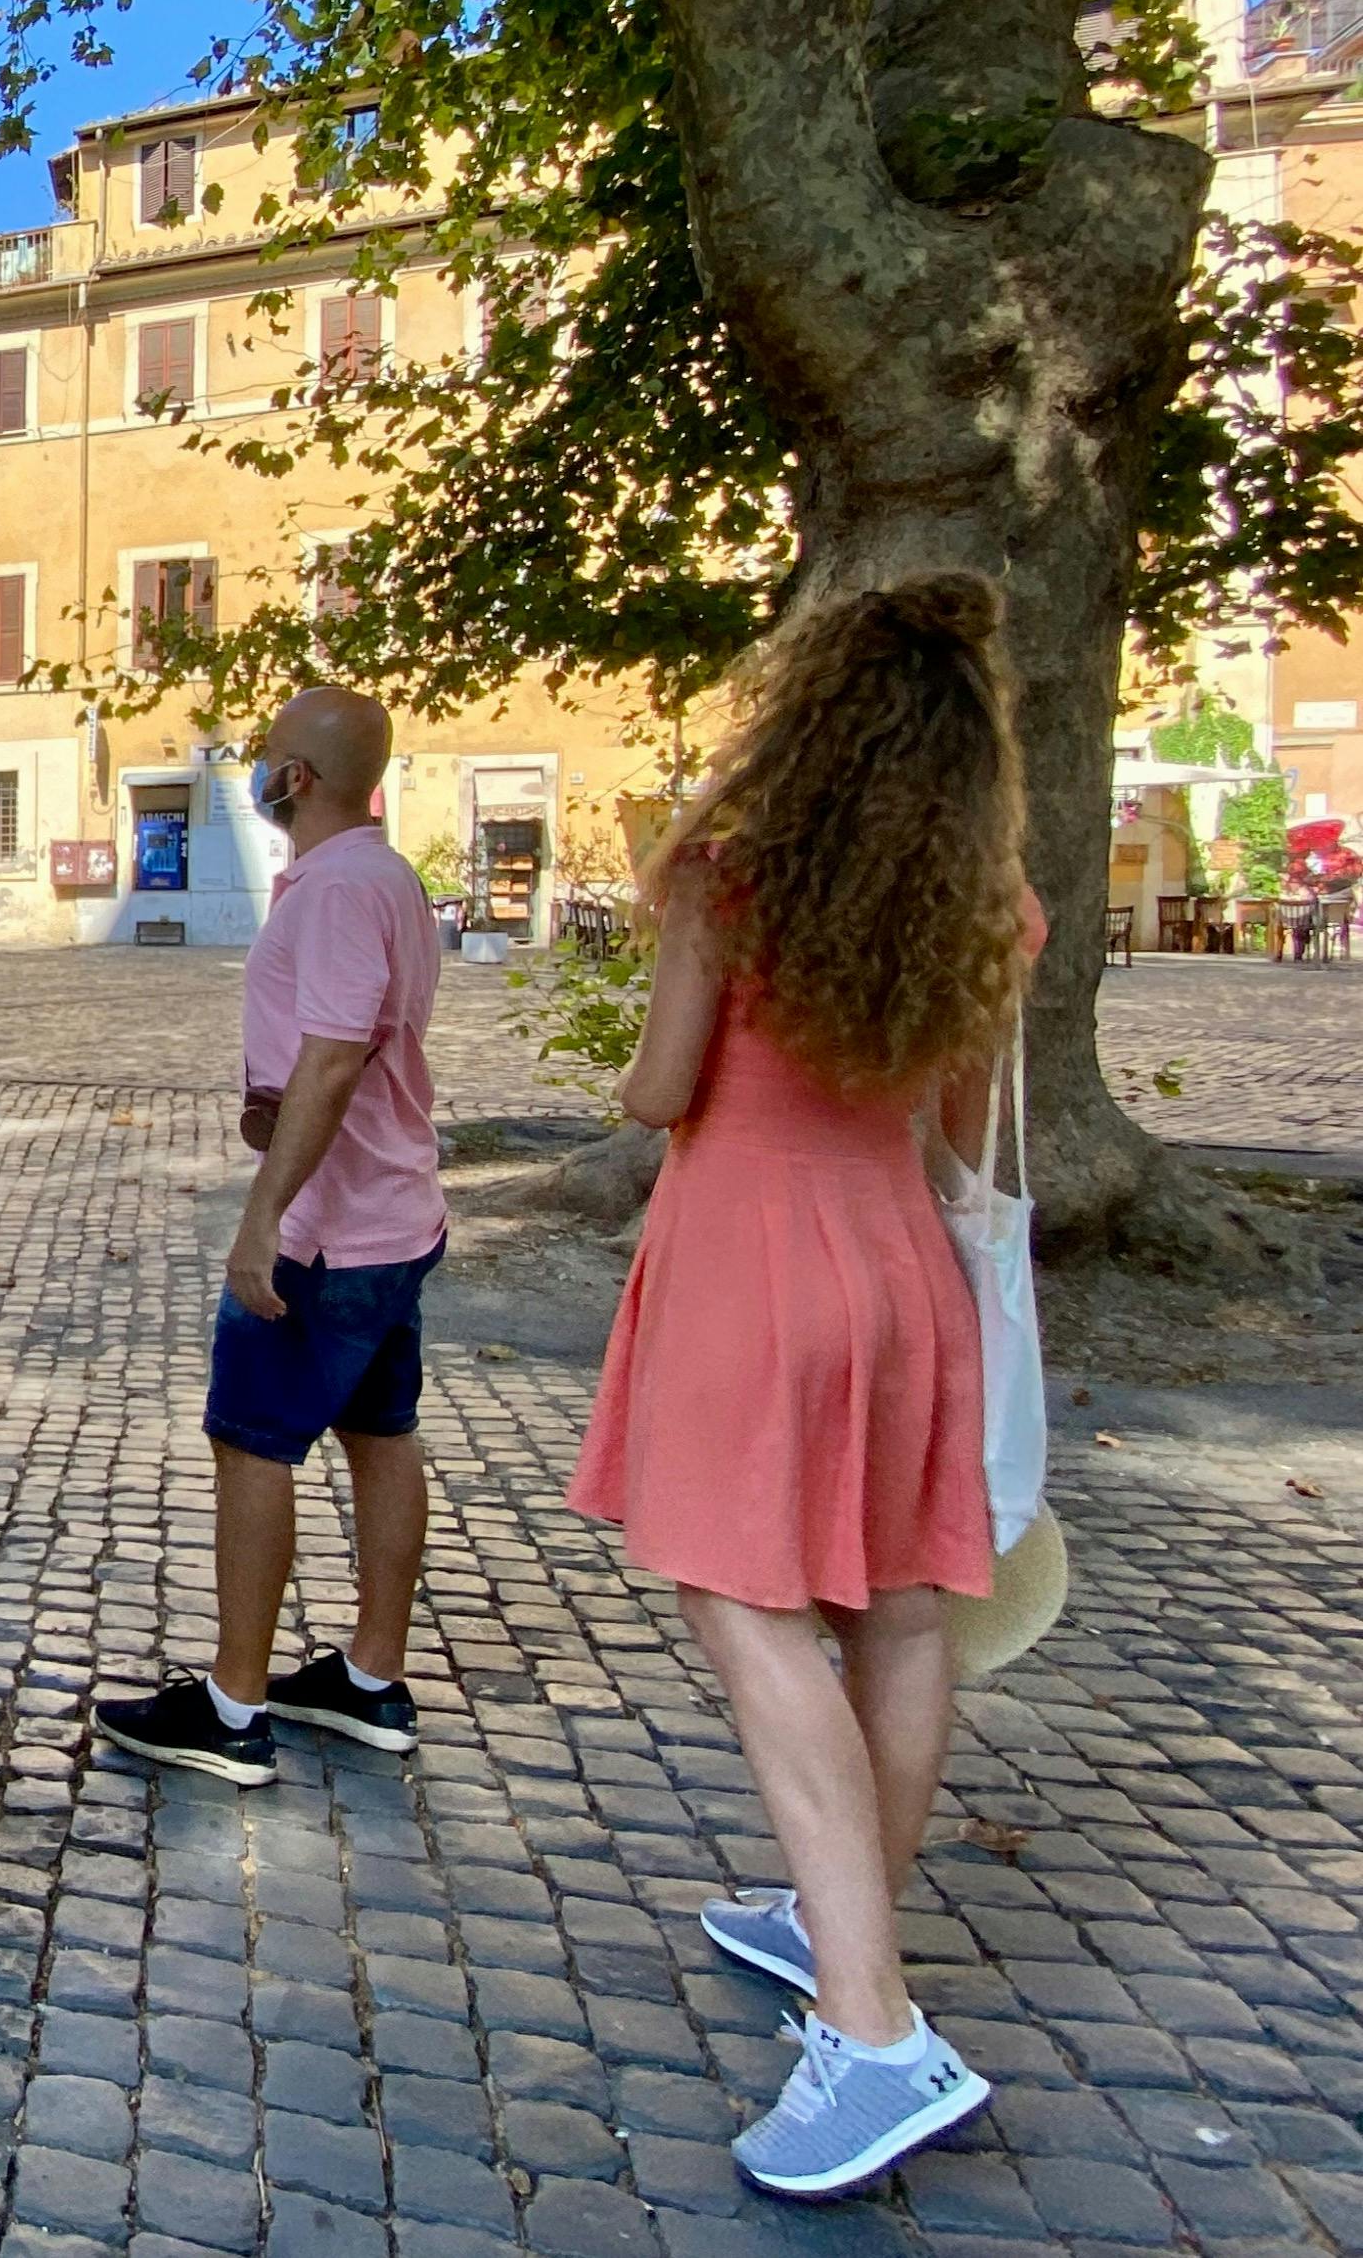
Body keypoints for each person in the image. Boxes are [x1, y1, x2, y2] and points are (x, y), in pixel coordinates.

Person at [568, 574, 1040, 2199]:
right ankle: (843, 1921)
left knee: (748, 1611)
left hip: (748, 1266)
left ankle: (872, 2026)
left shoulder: (731, 873)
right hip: (900, 1264)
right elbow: (960, 1128)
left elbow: (659, 1089)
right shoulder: (991, 903)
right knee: (898, 1615)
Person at [97, 688, 443, 1782]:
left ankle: (233, 1705)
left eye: (269, 754)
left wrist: (263, 1218)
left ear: (298, 777)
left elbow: (333, 1060)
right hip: (394, 1213)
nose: (258, 767)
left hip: (329, 1230)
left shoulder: (337, 890)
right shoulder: (384, 877)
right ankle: (370, 1680)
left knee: (251, 1442)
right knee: (380, 1434)